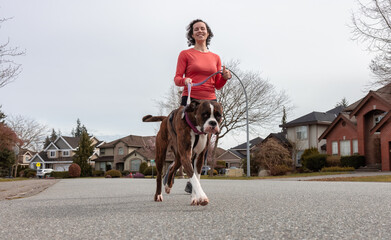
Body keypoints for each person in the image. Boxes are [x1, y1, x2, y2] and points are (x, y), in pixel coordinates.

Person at [174, 19, 232, 193]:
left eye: (203, 28)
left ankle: (194, 181)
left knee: (204, 141)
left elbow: (217, 84)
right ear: (192, 34)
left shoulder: (215, 57)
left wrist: (225, 77)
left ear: (208, 33)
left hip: (210, 102)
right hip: (191, 101)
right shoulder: (185, 54)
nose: (200, 31)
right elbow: (177, 79)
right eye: (196, 29)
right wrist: (185, 80)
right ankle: (186, 173)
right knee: (187, 143)